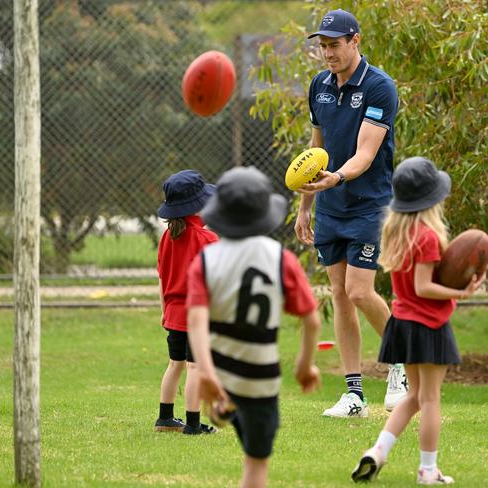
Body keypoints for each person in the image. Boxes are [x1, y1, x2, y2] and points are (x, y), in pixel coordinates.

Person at [298, 8, 407, 417]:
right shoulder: (319, 86)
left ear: (355, 40)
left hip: (368, 206)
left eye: (335, 45)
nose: (328, 53)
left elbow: (365, 152)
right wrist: (306, 203)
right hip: (330, 207)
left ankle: (400, 365)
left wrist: (336, 179)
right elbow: (315, 149)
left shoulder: (379, 87)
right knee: (341, 298)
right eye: (323, 46)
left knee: (361, 291)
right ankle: (355, 395)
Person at [351, 157, 486, 484]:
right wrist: (462, 293)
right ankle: (428, 469)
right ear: (431, 200)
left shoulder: (397, 233)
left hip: (404, 323)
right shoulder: (425, 236)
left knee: (413, 397)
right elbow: (423, 287)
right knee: (429, 399)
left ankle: (378, 451)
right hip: (428, 326)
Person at [186, 166, 321, 488]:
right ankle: (228, 410)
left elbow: (196, 319)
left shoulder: (206, 260)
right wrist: (305, 366)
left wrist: (204, 370)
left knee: (230, 406)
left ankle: (223, 407)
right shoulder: (279, 258)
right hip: (261, 379)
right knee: (256, 460)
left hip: (221, 371)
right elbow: (311, 319)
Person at [153, 170, 218, 435]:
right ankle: (193, 424)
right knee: (195, 367)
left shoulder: (167, 238)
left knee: (175, 364)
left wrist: (164, 310)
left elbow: (161, 277)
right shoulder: (208, 240)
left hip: (173, 313)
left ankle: (165, 418)